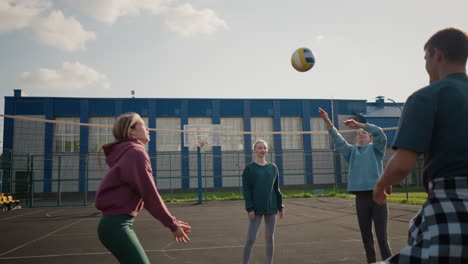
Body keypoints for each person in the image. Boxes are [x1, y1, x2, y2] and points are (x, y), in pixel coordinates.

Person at [373, 27, 468, 263]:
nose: (426, 66)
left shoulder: (426, 97)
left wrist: (381, 183)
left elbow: (403, 164)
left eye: (426, 58)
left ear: (437, 55)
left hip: (452, 207)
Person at [95, 113, 191, 264]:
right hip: (116, 226)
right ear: (131, 131)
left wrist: (172, 222)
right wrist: (172, 224)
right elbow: (149, 194)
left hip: (114, 225)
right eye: (142, 125)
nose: (148, 128)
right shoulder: (136, 152)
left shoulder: (129, 152)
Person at [319, 108, 392, 263]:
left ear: (369, 137)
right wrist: (328, 123)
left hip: (377, 195)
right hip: (361, 197)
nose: (360, 134)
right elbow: (338, 140)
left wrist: (359, 124)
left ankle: (388, 261)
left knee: (382, 237)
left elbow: (380, 133)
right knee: (366, 237)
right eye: (358, 133)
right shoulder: (351, 151)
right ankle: (371, 261)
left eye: (363, 133)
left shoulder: (376, 149)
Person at [242, 140, 284, 264]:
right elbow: (246, 190)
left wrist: (280, 207)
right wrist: (249, 208)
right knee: (250, 239)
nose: (263, 150)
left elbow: (276, 189)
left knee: (269, 238)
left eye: (265, 148)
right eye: (260, 148)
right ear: (255, 150)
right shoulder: (249, 169)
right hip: (255, 208)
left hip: (271, 207)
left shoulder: (273, 168)